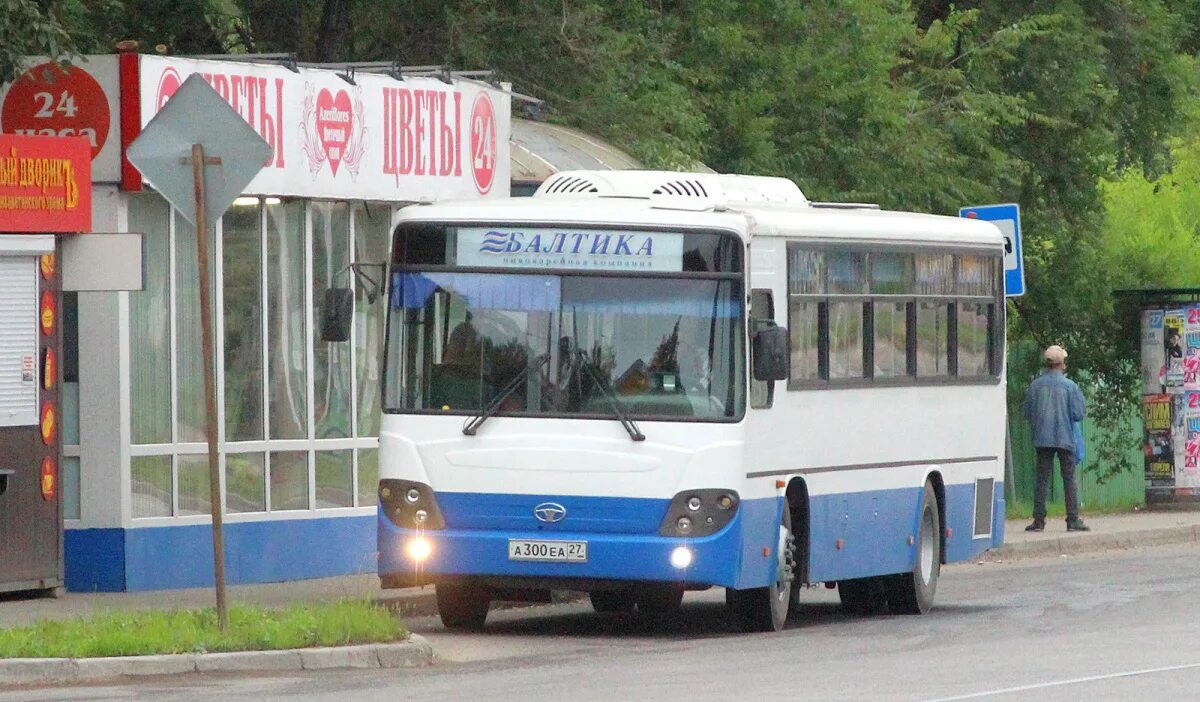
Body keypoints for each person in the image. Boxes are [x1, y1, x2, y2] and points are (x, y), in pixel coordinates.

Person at [1024, 345, 1089, 532]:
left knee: (1042, 479)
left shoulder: (1035, 385)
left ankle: (1038, 520)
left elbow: (1027, 412)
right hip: (1065, 437)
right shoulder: (1070, 386)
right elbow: (1078, 413)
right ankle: (1072, 519)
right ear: (1062, 364)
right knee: (1069, 478)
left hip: (1042, 438)